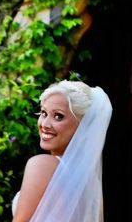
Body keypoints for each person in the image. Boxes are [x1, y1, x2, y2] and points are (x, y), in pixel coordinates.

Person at [12, 80, 112, 222]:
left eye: (58, 116)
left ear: (82, 126)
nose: (45, 124)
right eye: (44, 113)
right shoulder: (91, 185)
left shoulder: (41, 165)